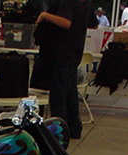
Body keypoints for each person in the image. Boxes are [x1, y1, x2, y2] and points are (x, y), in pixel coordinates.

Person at [36, 0, 98, 139]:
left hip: (61, 51)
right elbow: (93, 23)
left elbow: (66, 22)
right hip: (75, 50)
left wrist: (45, 16)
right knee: (70, 93)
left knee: (58, 95)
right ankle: (74, 128)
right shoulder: (85, 3)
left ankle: (59, 132)